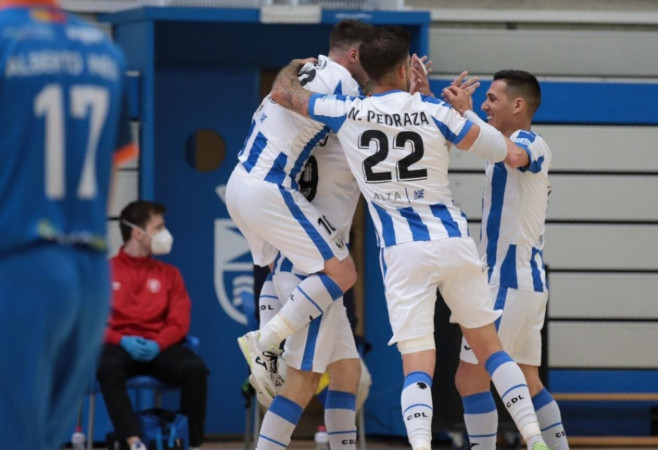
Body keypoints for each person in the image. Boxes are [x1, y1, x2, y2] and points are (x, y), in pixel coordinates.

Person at [270, 26, 550, 450]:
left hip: (403, 252)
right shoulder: (435, 113)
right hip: (454, 242)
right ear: (406, 69)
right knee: (492, 350)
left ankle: (420, 446)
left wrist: (291, 69)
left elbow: (284, 95)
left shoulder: (346, 110)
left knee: (417, 366)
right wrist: (451, 108)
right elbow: (496, 148)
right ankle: (534, 436)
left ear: (363, 68)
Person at [225, 19, 374, 450]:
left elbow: (282, 90)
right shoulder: (344, 90)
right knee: (342, 277)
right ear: (354, 56)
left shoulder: (310, 73)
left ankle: (266, 337)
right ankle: (264, 342)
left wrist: (288, 69)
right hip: (271, 194)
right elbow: (286, 95)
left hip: (250, 190)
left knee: (346, 372)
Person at [0, 0, 136, 448]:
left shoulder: (6, 39)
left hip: (19, 260)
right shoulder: (103, 50)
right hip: (89, 271)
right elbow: (116, 164)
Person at [443, 71, 570, 449]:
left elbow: (513, 155)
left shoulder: (528, 141)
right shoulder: (503, 140)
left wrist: (468, 115)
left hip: (508, 282)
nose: (485, 105)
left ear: (519, 105)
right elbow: (479, 143)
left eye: (493, 99)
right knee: (529, 383)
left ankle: (532, 442)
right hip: (524, 283)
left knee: (470, 380)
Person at [96, 201, 208, 450]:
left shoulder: (170, 274)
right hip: (120, 346)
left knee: (195, 369)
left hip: (159, 346)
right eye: (158, 227)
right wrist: (119, 339)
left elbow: (179, 322)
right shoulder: (104, 272)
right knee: (105, 366)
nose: (165, 233)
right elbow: (90, 324)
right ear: (138, 232)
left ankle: (188, 441)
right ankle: (134, 441)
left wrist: (159, 344)